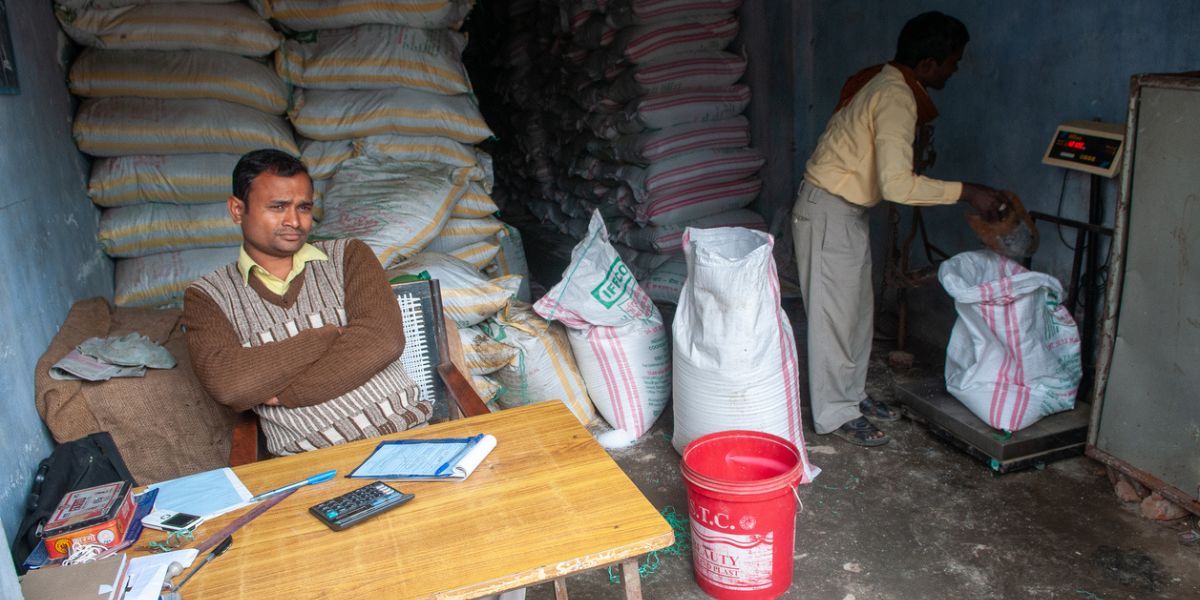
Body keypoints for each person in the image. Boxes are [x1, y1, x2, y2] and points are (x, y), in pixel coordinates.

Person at [792, 11, 1006, 447]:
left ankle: (852, 396)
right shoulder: (895, 96)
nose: (954, 70)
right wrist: (968, 192)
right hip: (829, 209)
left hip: (844, 210)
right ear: (928, 64)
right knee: (834, 319)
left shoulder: (887, 82)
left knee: (856, 315)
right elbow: (897, 186)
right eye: (952, 62)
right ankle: (835, 413)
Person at [183, 149, 431, 456]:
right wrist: (323, 338)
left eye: (303, 207)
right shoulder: (207, 296)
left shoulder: (349, 255)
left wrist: (287, 394)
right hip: (310, 463)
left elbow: (383, 340)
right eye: (278, 207)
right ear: (237, 209)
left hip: (408, 437)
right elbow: (230, 385)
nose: (294, 221)